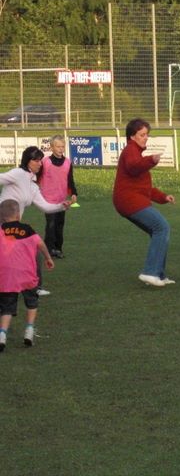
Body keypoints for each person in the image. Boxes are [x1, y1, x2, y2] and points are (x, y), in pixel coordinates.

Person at [112, 118, 176, 287]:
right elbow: (134, 166)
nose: (146, 137)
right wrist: (151, 160)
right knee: (162, 227)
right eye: (142, 134)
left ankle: (159, 275)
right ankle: (150, 272)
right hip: (129, 201)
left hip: (128, 201)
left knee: (159, 231)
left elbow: (144, 188)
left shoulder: (134, 152)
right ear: (132, 136)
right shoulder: (130, 150)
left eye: (147, 134)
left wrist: (163, 197)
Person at [0, 146, 70, 296]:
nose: (40, 163)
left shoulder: (32, 185)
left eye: (40, 160)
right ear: (27, 161)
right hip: (2, 223)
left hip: (15, 226)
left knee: (33, 251)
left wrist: (61, 206)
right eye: (36, 160)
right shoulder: (18, 173)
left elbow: (45, 207)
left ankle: (35, 287)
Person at [0, 199, 55, 352]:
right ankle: (29, 330)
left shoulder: (1, 230)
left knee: (6, 307)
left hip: (6, 277)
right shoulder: (27, 230)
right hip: (27, 275)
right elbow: (40, 244)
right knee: (32, 302)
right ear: (18, 214)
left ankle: (2, 334)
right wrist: (48, 258)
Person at [38, 135, 78, 259]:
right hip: (48, 200)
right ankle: (49, 250)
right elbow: (36, 178)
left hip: (62, 200)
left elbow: (70, 180)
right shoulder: (45, 162)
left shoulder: (67, 162)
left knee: (59, 225)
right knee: (50, 225)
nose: (61, 149)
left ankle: (58, 249)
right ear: (51, 147)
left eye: (62, 146)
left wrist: (73, 193)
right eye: (58, 146)